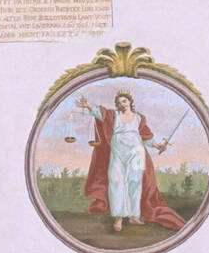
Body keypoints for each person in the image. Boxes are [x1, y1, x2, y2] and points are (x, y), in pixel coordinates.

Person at [77, 91, 184, 233]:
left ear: (129, 102)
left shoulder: (139, 118)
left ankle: (134, 216)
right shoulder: (113, 115)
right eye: (119, 102)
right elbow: (99, 113)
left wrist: (158, 146)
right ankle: (119, 218)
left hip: (136, 152)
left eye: (124, 101)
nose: (122, 104)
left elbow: (146, 137)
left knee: (134, 182)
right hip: (118, 151)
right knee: (116, 181)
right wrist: (88, 105)